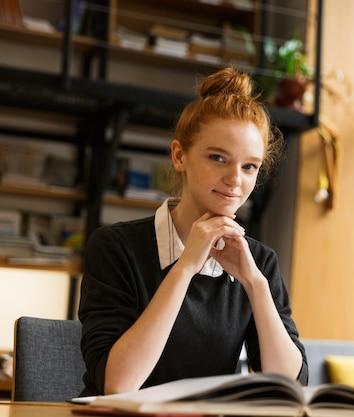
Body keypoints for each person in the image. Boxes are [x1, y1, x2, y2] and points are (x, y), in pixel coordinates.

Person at [78, 67, 308, 395]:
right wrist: (185, 267)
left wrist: (255, 284)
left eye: (249, 166)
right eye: (218, 158)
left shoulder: (259, 262)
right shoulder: (115, 247)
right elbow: (117, 383)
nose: (235, 180)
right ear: (179, 156)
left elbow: (289, 386)